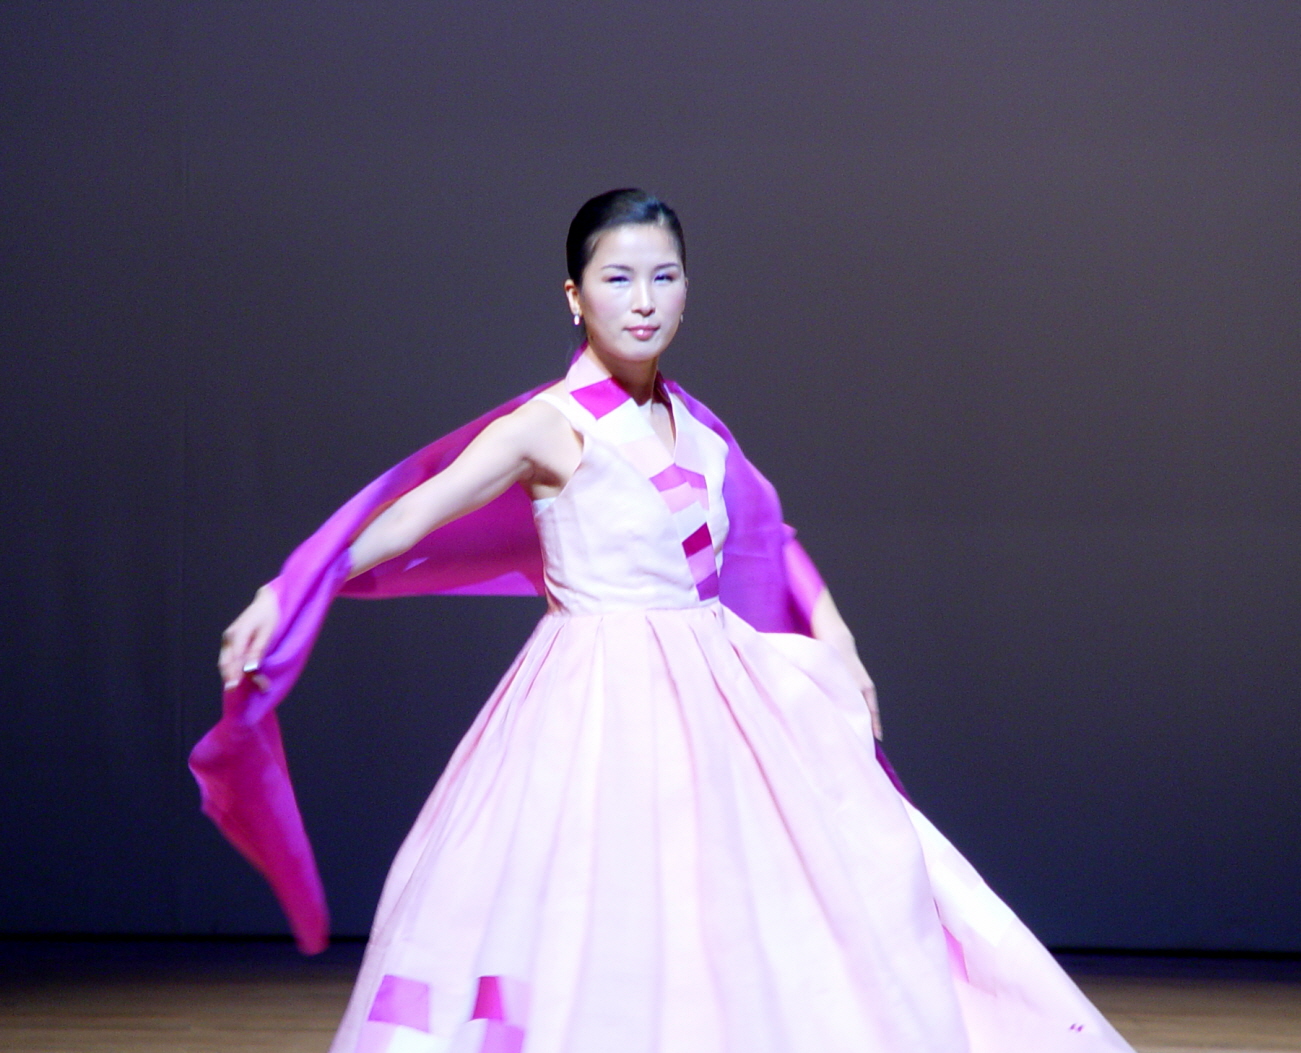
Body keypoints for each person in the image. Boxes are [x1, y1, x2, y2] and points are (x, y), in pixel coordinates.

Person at [206, 189, 1133, 1053]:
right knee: (594, 906)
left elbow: (768, 538)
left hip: (716, 694)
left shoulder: (698, 425)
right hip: (592, 701)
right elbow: (414, 513)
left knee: (756, 902)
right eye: (617, 278)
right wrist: (292, 588)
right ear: (574, 297)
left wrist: (840, 641)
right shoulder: (549, 424)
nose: (643, 300)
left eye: (664, 275)